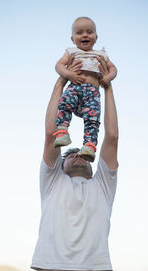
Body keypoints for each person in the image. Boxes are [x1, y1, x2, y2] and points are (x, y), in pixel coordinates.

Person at [31, 56, 119, 271]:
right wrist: (62, 79)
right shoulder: (53, 182)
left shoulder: (102, 185)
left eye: (82, 154)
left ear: (93, 168)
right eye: (71, 155)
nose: (78, 155)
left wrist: (107, 88)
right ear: (60, 165)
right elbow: (51, 135)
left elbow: (111, 138)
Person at [54, 16, 117, 162]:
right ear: (72, 39)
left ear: (96, 37)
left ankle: (89, 145)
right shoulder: (71, 52)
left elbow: (113, 68)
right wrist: (68, 74)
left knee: (93, 119)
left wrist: (108, 78)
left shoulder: (102, 54)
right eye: (79, 32)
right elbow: (59, 65)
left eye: (89, 32)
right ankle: (62, 131)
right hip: (75, 87)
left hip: (92, 93)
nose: (85, 35)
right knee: (64, 103)